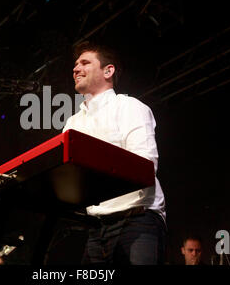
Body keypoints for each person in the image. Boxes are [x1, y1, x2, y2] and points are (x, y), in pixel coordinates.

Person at [62, 42, 167, 265]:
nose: (76, 68)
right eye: (75, 64)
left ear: (108, 71)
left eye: (85, 62)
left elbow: (146, 165)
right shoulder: (72, 123)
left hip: (137, 219)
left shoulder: (130, 107)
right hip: (96, 226)